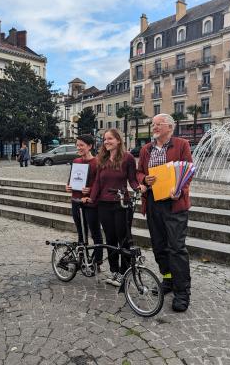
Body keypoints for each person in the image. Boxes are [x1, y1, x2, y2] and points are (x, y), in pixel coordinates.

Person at [136, 113, 193, 312]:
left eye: (158, 124)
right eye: (153, 124)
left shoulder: (181, 144)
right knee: (159, 246)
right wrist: (144, 180)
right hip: (153, 202)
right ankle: (167, 279)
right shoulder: (146, 149)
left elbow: (188, 170)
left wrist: (179, 189)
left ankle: (182, 292)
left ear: (169, 126)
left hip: (174, 203)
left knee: (176, 248)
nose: (154, 127)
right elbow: (139, 172)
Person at [84, 129, 141, 287]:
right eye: (104, 139)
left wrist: (138, 188)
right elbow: (97, 182)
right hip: (104, 204)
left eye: (110, 138)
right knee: (110, 240)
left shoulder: (128, 158)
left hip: (121, 204)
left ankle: (124, 272)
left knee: (124, 240)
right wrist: (91, 199)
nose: (106, 141)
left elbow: (132, 179)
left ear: (118, 140)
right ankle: (114, 270)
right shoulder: (101, 158)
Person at [65, 135, 103, 269]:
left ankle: (97, 262)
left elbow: (101, 184)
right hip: (76, 200)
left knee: (95, 233)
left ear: (90, 146)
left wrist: (90, 189)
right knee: (81, 232)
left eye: (81, 145)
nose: (78, 148)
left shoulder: (97, 163)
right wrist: (68, 186)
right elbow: (71, 179)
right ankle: (82, 259)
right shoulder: (76, 161)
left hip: (90, 203)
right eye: (77, 145)